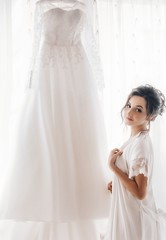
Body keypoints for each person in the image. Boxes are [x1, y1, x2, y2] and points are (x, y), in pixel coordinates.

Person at [0, 1, 109, 239]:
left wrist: (99, 77)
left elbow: (91, 39)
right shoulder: (41, 5)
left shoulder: (86, 5)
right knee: (48, 127)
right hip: (48, 68)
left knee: (78, 129)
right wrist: (30, 76)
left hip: (77, 68)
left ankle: (76, 200)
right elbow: (33, 42)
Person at [104, 84, 166, 240]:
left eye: (138, 109)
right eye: (128, 106)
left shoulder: (140, 145)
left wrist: (113, 168)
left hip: (135, 222)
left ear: (150, 116)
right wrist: (117, 185)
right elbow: (134, 182)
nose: (129, 112)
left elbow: (140, 193)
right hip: (130, 215)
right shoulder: (135, 140)